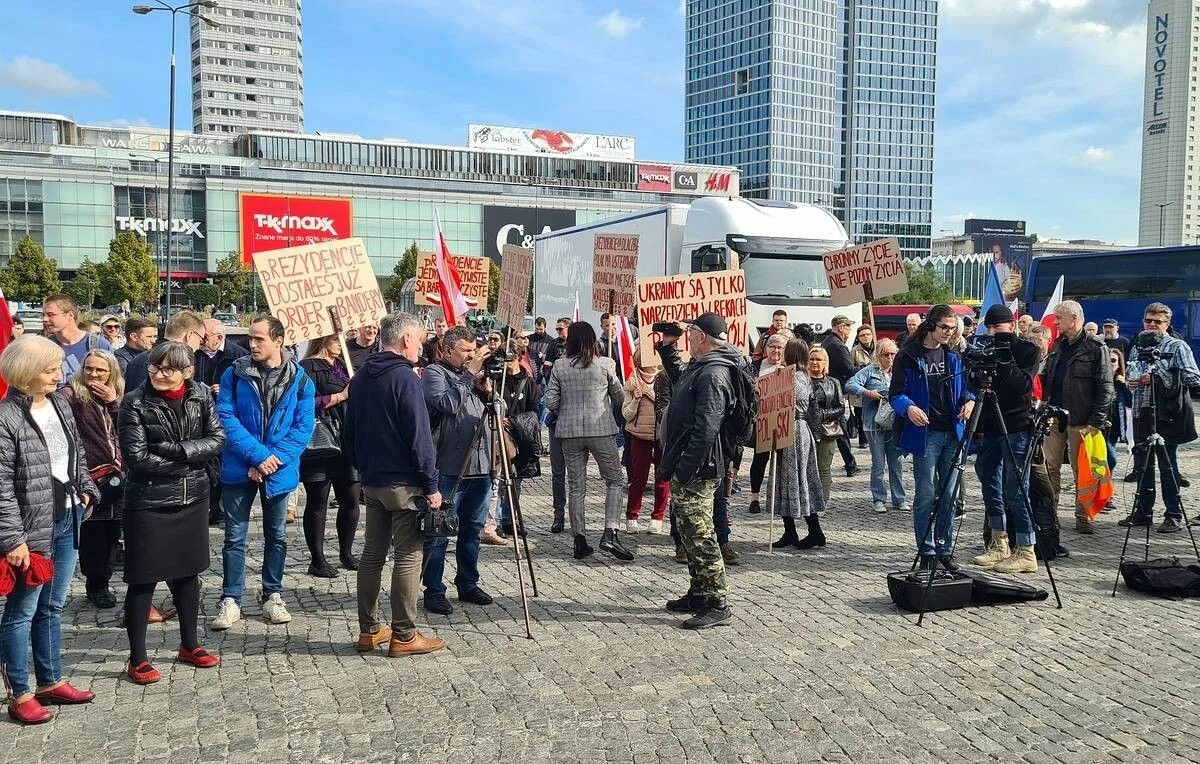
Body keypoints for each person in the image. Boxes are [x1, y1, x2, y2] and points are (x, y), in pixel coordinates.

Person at [0, 336, 99, 724]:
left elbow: (77, 451)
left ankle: (50, 680)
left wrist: (87, 488)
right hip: (29, 529)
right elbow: (2, 484)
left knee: (52, 606)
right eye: (50, 369)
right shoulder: (5, 417)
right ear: (25, 374)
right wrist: (12, 539)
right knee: (21, 612)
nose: (60, 375)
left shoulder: (60, 402)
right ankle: (20, 692)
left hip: (67, 516)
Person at [117, 341, 226, 684]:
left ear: (187, 372)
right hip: (149, 500)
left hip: (192, 498)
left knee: (187, 574)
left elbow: (218, 438)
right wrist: (188, 460)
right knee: (143, 577)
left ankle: (189, 644)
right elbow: (137, 458)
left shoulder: (200, 395)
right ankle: (137, 658)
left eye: (168, 369)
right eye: (154, 367)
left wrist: (177, 450)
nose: (159, 374)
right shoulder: (134, 402)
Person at [344, 312, 446, 657]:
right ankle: (404, 634)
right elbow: (420, 437)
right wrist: (431, 485)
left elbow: (349, 434)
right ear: (404, 340)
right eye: (419, 339)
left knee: (372, 554)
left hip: (372, 480)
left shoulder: (360, 378)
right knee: (407, 555)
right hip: (405, 483)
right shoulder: (404, 378)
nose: (422, 345)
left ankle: (368, 629)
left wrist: (364, 467)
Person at [213, 315, 316, 630]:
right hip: (241, 464)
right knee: (234, 536)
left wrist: (273, 460)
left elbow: (302, 428)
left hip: (279, 469)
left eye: (259, 338)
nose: (252, 344)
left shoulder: (300, 379)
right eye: (250, 338)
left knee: (278, 536)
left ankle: (273, 594)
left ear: (278, 340)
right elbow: (226, 417)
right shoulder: (234, 374)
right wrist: (257, 458)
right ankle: (231, 598)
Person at [658, 312, 741, 629]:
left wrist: (685, 468)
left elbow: (706, 429)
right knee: (688, 531)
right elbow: (681, 381)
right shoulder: (702, 366)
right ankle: (699, 591)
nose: (687, 336)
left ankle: (717, 602)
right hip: (691, 464)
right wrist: (668, 347)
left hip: (699, 467)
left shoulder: (714, 374)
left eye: (690, 331)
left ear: (702, 337)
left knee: (701, 533)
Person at [890, 305, 976, 570]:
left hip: (953, 432)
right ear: (931, 326)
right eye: (945, 328)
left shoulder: (953, 356)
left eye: (953, 329)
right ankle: (927, 550)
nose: (949, 333)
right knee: (926, 493)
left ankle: (945, 549)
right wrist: (909, 407)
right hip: (925, 433)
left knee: (949, 494)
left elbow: (966, 390)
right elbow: (895, 394)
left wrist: (970, 401)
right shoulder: (909, 355)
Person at [422, 325, 498, 614]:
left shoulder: (475, 379)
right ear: (448, 349)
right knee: (440, 531)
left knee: (473, 529)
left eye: (472, 350)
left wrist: (487, 392)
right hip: (449, 466)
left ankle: (468, 582)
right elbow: (447, 405)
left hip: (480, 466)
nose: (470, 356)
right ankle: (434, 590)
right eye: (465, 351)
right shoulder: (434, 374)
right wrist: (468, 377)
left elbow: (499, 410)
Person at [546, 321, 632, 561]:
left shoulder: (560, 366)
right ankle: (610, 532)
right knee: (614, 480)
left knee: (576, 486)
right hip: (601, 428)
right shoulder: (606, 364)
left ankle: (579, 539)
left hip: (569, 432)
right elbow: (619, 396)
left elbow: (551, 403)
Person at [969, 305, 1043, 574]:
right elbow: (975, 382)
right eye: (989, 327)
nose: (993, 332)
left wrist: (1004, 358)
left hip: (1015, 425)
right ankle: (999, 543)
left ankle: (1026, 549)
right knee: (988, 480)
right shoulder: (986, 348)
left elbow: (1022, 384)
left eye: (998, 327)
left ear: (1011, 325)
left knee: (1015, 486)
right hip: (989, 424)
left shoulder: (1028, 350)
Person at [1119, 303, 1200, 534]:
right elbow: (1132, 374)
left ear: (1168, 324)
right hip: (1140, 411)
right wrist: (1131, 382)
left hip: (1168, 414)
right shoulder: (1137, 345)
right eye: (1149, 320)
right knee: (1143, 465)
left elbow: (1193, 378)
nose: (1152, 325)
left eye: (1158, 321)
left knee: (1168, 466)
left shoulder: (1177, 346)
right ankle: (1143, 512)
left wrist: (1157, 375)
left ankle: (1173, 515)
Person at [1039, 300, 1114, 535]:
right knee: (1049, 468)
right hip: (1054, 417)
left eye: (1059, 318)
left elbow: (1106, 387)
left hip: (1082, 420)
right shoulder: (1059, 345)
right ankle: (1049, 515)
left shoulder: (1095, 347)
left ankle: (1083, 515)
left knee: (1082, 470)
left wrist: (1096, 421)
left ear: (1074, 318)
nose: (1056, 322)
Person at [59, 350, 125, 608]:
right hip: (90, 475)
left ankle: (105, 579)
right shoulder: (71, 396)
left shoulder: (118, 396)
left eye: (100, 370)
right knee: (93, 534)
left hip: (119, 475)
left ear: (111, 373)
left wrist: (114, 403)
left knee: (112, 532)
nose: (94, 374)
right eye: (89, 369)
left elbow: (128, 429)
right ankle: (97, 584)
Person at [299, 334, 361, 577]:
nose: (341, 344)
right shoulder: (306, 367)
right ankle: (317, 559)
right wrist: (338, 397)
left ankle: (346, 552)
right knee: (318, 501)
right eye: (337, 339)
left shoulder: (344, 366)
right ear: (323, 340)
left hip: (347, 439)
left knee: (351, 499)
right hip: (322, 440)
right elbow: (301, 403)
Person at [771, 338, 827, 548]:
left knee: (797, 478)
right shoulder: (792, 375)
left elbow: (796, 400)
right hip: (786, 427)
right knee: (785, 479)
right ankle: (790, 531)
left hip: (795, 429)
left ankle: (815, 531)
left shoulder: (798, 377)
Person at [194, 318, 249, 526]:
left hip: (228, 416)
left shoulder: (238, 356)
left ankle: (223, 509)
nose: (201, 340)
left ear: (219, 337)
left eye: (205, 336)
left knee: (224, 462)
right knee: (206, 461)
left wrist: (226, 391)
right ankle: (211, 506)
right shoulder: (194, 353)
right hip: (200, 416)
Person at [846, 339, 906, 514]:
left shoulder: (899, 372)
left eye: (892, 354)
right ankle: (879, 498)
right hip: (874, 423)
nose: (889, 358)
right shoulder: (869, 371)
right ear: (878, 355)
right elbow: (850, 384)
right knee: (878, 464)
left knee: (897, 464)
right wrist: (868, 393)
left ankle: (899, 499)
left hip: (895, 423)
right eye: (885, 355)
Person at [622, 355, 668, 534]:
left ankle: (658, 517)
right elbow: (626, 414)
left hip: (661, 436)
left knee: (662, 479)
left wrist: (650, 394)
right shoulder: (632, 381)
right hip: (639, 434)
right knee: (638, 478)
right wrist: (635, 400)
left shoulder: (664, 378)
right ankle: (632, 516)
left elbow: (668, 404)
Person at [747, 334, 788, 514]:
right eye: (773, 347)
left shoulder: (789, 368)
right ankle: (754, 497)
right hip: (761, 419)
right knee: (760, 459)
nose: (776, 351)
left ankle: (779, 498)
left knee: (782, 461)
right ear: (766, 348)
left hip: (782, 420)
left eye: (780, 348)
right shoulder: (754, 367)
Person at [125, 311, 204, 393]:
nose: (199, 347)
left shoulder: (138, 360)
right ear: (190, 335)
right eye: (201, 340)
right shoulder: (184, 363)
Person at [821, 315, 859, 477]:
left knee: (840, 429)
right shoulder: (837, 345)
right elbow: (849, 369)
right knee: (841, 429)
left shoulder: (828, 341)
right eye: (848, 326)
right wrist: (865, 368)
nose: (850, 330)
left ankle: (850, 463)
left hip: (829, 390)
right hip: (835, 392)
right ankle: (850, 464)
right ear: (841, 327)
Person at [807, 346, 844, 508]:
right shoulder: (801, 380)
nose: (814, 362)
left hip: (827, 429)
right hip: (805, 428)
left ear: (825, 363)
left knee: (823, 467)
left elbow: (841, 407)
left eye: (818, 359)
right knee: (806, 467)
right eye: (811, 359)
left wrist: (822, 414)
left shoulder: (833, 383)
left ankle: (822, 500)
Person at [41, 294, 110, 381]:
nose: (45, 319)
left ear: (70, 315)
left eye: (51, 315)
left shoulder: (98, 344)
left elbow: (113, 381)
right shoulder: (45, 347)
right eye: (43, 315)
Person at [849, 325, 876, 448]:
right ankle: (863, 440)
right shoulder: (855, 351)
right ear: (858, 337)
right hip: (860, 390)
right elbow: (850, 368)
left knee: (876, 415)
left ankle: (874, 439)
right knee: (860, 416)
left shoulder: (878, 348)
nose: (865, 337)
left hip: (875, 388)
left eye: (868, 334)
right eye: (862, 335)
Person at [1107, 348, 1131, 450]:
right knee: (1109, 452)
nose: (1110, 363)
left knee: (1110, 450)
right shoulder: (1097, 379)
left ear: (1118, 364)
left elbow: (1130, 402)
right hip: (1101, 421)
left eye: (1113, 360)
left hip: (1116, 422)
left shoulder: (1121, 381)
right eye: (1107, 360)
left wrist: (1124, 385)